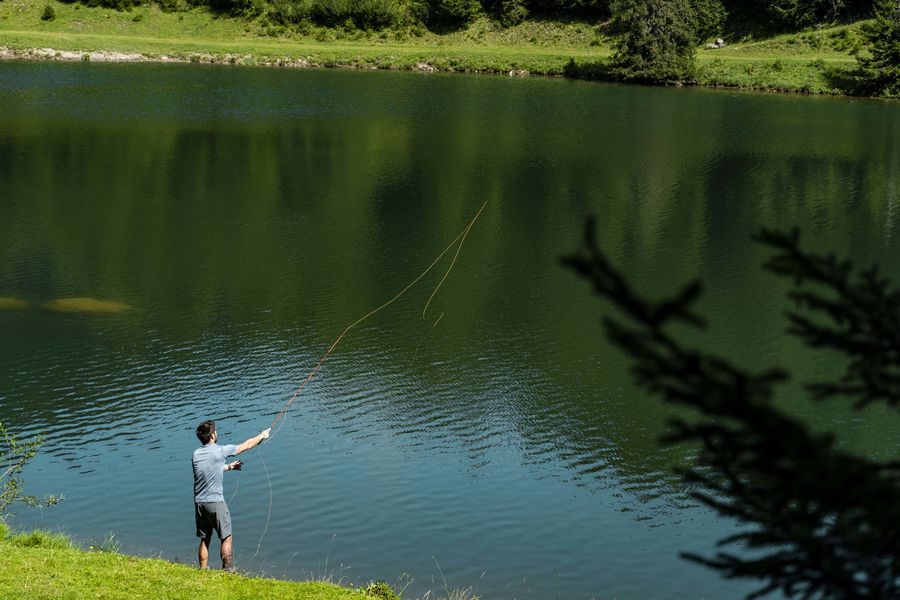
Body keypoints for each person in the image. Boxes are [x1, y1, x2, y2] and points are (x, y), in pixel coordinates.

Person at [192, 420, 270, 571]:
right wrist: (262, 436)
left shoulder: (196, 454)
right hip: (216, 502)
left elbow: (208, 471)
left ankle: (202, 570)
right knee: (226, 537)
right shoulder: (221, 450)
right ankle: (227, 571)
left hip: (200, 503)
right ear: (213, 435)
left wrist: (228, 467)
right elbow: (246, 445)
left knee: (205, 538)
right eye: (215, 431)